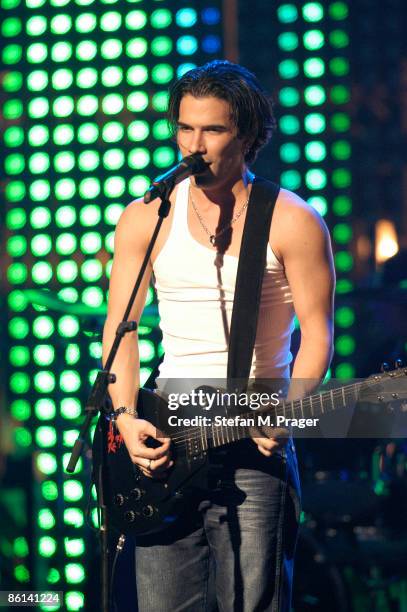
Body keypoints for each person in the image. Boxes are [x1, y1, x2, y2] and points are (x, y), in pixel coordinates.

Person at [102, 60, 335, 611]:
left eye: (213, 130)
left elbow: (319, 338)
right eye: (185, 128)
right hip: (166, 435)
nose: (194, 145)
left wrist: (290, 413)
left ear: (248, 134)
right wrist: (126, 417)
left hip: (254, 440)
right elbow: (122, 329)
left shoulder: (292, 220)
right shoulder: (146, 216)